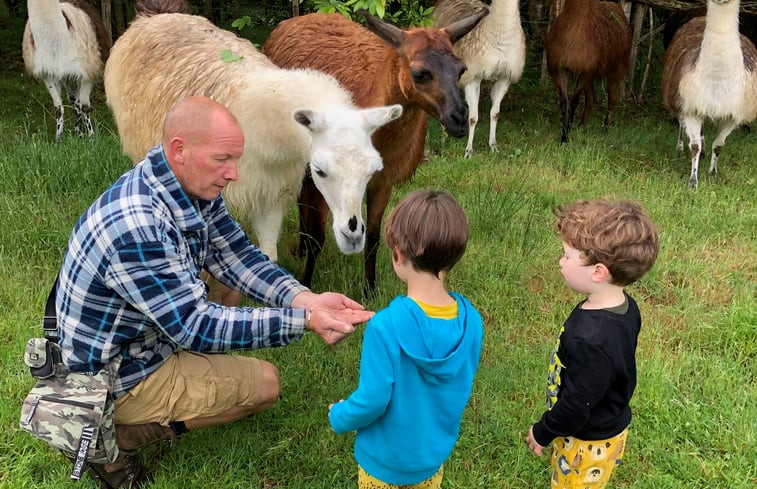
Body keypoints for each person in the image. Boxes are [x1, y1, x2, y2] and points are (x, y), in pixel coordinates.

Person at [55, 96, 373, 488]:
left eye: (235, 159)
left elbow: (237, 255)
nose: (233, 173)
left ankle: (187, 375)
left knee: (224, 277)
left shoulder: (183, 181)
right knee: (265, 386)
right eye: (223, 159)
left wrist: (306, 298)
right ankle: (117, 440)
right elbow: (196, 325)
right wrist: (304, 320)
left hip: (141, 329)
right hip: (115, 374)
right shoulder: (138, 225)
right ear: (180, 149)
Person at [328, 189, 484, 488]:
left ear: (398, 254)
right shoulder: (471, 322)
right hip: (431, 462)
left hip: (382, 467)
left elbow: (372, 400)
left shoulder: (385, 327)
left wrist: (340, 415)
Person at [525, 199, 660, 489]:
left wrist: (542, 431)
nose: (561, 261)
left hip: (586, 443)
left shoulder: (590, 340)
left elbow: (576, 406)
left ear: (598, 272)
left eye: (567, 256)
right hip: (610, 425)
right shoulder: (626, 306)